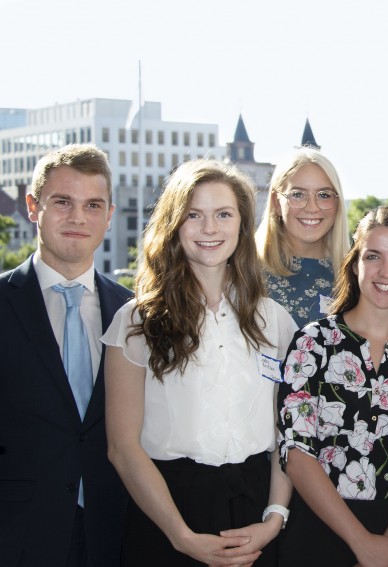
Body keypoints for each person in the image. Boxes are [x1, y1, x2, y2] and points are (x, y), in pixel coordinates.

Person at [103, 160, 297, 566]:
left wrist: (274, 517)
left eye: (223, 214)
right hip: (166, 516)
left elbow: (287, 434)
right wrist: (180, 536)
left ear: (243, 226)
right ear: (174, 225)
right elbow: (123, 448)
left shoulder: (275, 320)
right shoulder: (135, 322)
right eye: (194, 215)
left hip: (255, 515)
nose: (210, 229)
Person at [277, 206, 388, 566]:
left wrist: (386, 547)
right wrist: (360, 542)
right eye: (373, 256)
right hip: (318, 531)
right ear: (355, 264)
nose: (386, 271)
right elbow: (296, 450)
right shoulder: (313, 344)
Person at [0, 144, 131, 567]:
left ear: (109, 216)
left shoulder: (136, 314)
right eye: (63, 202)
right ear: (33, 206)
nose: (78, 217)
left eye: (93, 205)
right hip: (16, 534)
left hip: (115, 535)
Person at [256, 147, 350, 328]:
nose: (312, 207)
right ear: (276, 202)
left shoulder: (355, 275)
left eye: (324, 195)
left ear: (337, 203)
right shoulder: (245, 271)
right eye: (298, 195)